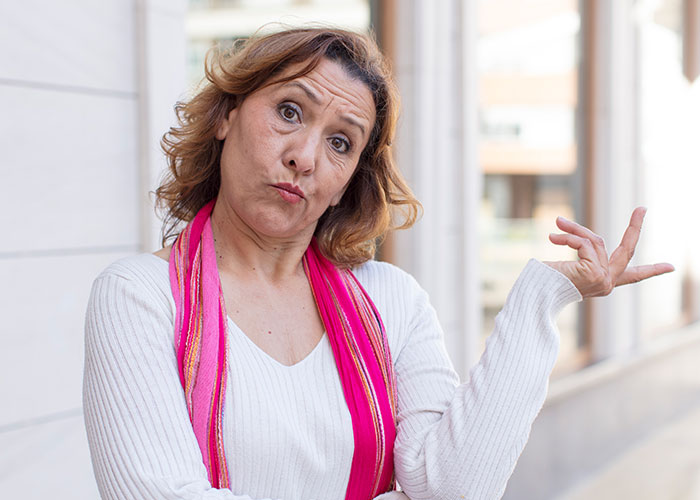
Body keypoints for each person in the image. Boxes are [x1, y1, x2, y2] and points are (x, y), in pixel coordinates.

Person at [82, 27, 673, 500]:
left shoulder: (391, 299)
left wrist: (544, 295)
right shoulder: (140, 297)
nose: (305, 156)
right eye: (290, 111)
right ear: (226, 117)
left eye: (341, 142)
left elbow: (456, 489)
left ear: (347, 182)